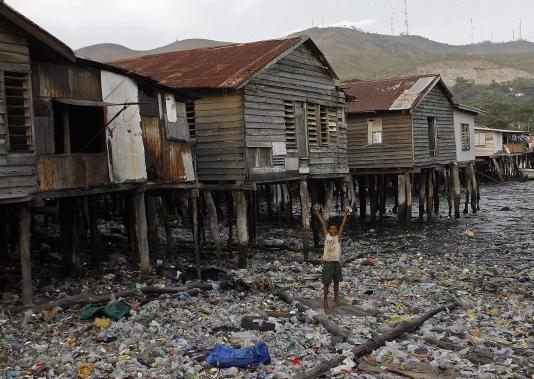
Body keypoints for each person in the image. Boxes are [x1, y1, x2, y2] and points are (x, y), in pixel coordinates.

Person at [314, 206, 350, 310]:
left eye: (335, 229)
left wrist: (345, 214)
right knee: (326, 284)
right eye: (331, 229)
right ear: (329, 230)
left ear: (337, 230)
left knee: (336, 282)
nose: (333, 230)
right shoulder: (327, 236)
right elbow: (323, 224)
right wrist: (318, 214)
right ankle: (325, 300)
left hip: (336, 263)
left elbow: (343, 225)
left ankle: (336, 297)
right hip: (328, 263)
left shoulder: (338, 238)